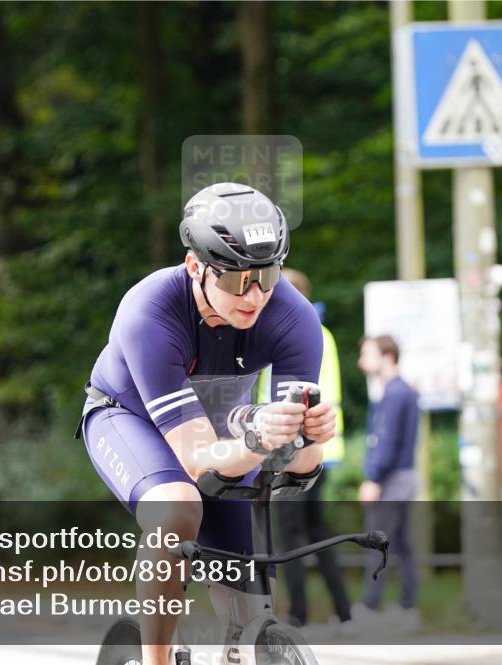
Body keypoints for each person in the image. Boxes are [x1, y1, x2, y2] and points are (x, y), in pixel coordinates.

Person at [76, 182, 337, 665]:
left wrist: (309, 437)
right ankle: (154, 659)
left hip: (223, 432)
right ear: (196, 266)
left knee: (247, 547)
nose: (256, 294)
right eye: (239, 280)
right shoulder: (149, 311)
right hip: (127, 417)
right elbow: (198, 463)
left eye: (269, 273)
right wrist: (259, 440)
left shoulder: (294, 318)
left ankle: (240, 651)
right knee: (177, 506)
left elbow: (296, 472)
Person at [261, 268, 352, 630]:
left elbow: (285, 396)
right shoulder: (322, 332)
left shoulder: (291, 333)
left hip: (297, 452)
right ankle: (344, 612)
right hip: (324, 451)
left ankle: (297, 615)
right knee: (317, 534)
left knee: (289, 536)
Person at [355, 335, 420, 628]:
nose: (361, 361)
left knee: (378, 540)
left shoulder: (395, 394)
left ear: (388, 357)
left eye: (368, 354)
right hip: (402, 476)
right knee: (402, 544)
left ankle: (369, 606)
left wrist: (374, 478)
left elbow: (388, 442)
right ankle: (408, 606)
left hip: (392, 478)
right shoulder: (398, 391)